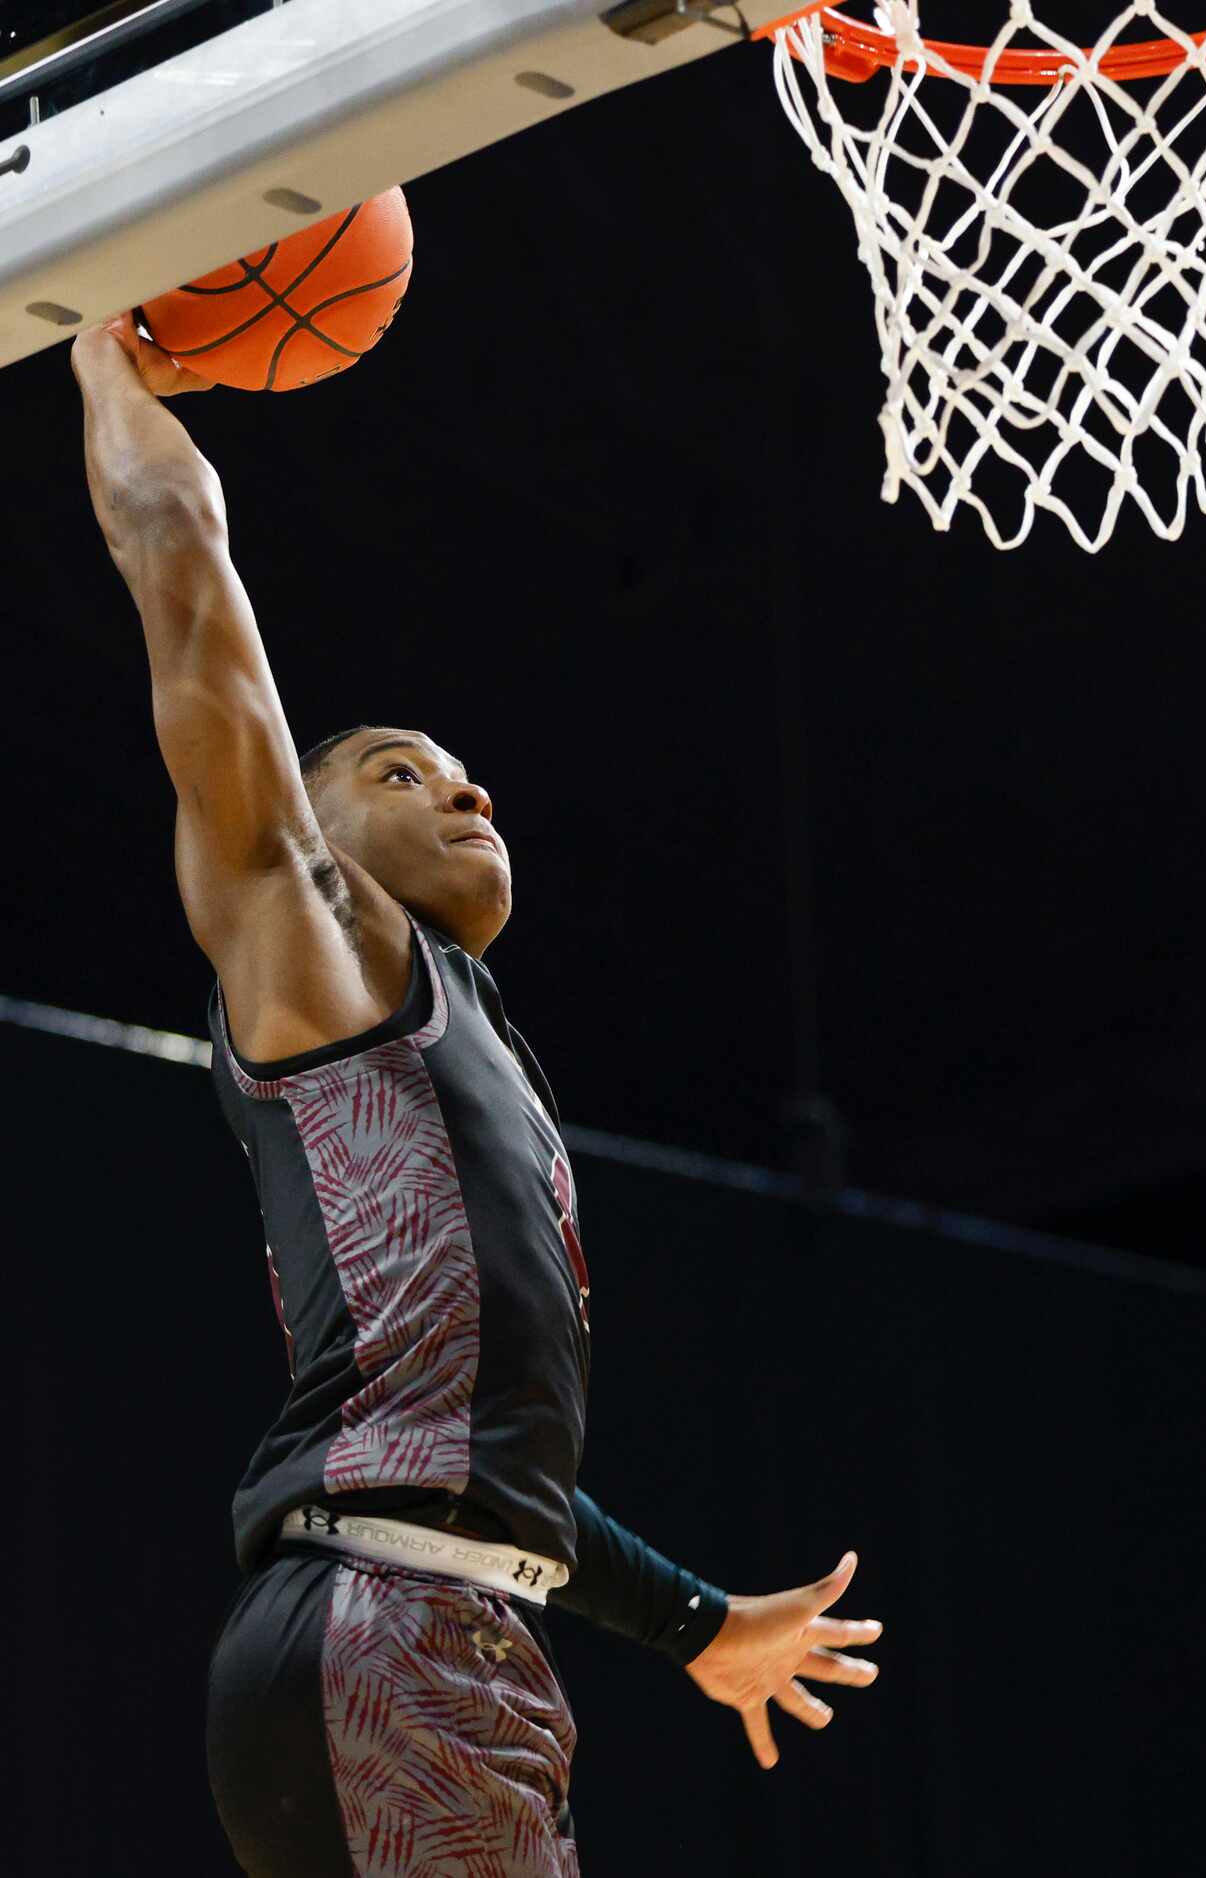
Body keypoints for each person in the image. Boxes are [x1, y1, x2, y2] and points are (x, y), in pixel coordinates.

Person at [71, 309, 884, 1878]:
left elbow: (474, 1467)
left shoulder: (465, 1044)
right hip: (383, 1631)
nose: (462, 783)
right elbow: (192, 610)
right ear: (307, 836)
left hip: (435, 1622)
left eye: (457, 767)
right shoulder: (311, 945)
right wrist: (106, 359)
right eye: (395, 769)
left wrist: (695, 1622)